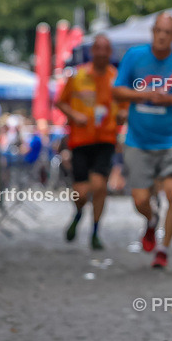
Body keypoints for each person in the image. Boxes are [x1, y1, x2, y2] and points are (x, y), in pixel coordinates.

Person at [111, 12, 172, 269]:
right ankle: (151, 221)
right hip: (138, 140)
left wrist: (170, 99)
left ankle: (164, 248)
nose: (162, 36)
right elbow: (116, 91)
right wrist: (142, 94)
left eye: (168, 32)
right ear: (152, 32)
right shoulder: (134, 56)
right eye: (158, 31)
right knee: (140, 199)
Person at [55, 34, 120, 250]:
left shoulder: (115, 77)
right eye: (97, 48)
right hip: (81, 140)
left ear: (109, 52)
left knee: (100, 186)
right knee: (81, 192)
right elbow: (61, 102)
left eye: (105, 49)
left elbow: (124, 106)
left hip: (105, 138)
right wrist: (75, 116)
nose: (101, 53)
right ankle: (79, 212)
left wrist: (122, 117)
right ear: (92, 51)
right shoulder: (78, 75)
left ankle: (95, 230)